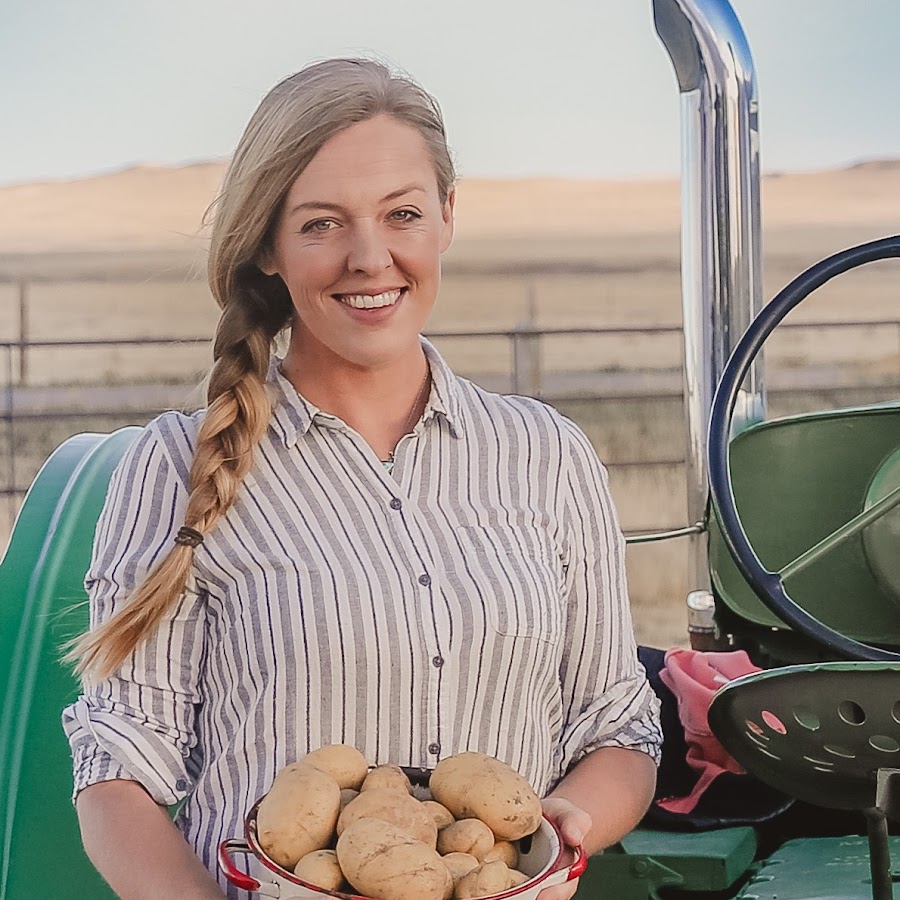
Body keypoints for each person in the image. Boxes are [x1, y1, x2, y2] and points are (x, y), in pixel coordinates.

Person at [63, 58, 662, 900]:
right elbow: (115, 768)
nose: (370, 257)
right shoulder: (173, 467)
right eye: (320, 225)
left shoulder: (547, 455)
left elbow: (620, 724)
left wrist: (561, 826)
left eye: (403, 214)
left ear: (448, 218)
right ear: (266, 245)